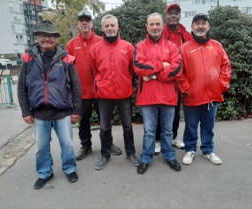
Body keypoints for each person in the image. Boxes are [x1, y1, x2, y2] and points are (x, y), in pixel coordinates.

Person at [17, 20, 81, 189]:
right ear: (37, 37)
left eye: (51, 36)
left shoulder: (67, 59)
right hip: (39, 114)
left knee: (67, 144)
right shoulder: (28, 60)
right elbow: (22, 88)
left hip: (63, 113)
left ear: (56, 39)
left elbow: (76, 87)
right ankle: (45, 172)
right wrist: (25, 111)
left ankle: (69, 169)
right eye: (43, 35)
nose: (47, 39)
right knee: (41, 147)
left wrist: (76, 111)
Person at [66, 11, 122, 161]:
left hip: (100, 90)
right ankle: (86, 145)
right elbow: (66, 68)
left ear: (92, 23)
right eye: (81, 21)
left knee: (105, 120)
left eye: (87, 20)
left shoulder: (100, 41)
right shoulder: (71, 44)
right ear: (78, 24)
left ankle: (108, 143)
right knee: (83, 120)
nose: (84, 23)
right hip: (81, 91)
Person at [179, 13, 231, 165]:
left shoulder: (217, 46)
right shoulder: (184, 48)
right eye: (197, 23)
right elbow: (178, 72)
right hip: (192, 95)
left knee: (209, 126)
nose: (200, 26)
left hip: (212, 95)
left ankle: (208, 150)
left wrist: (223, 84)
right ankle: (190, 149)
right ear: (192, 27)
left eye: (204, 23)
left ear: (208, 27)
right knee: (191, 126)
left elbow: (226, 65)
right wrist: (185, 87)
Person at [133, 12, 182, 174]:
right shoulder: (140, 46)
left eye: (157, 24)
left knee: (168, 131)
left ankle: (169, 155)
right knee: (149, 131)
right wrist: (162, 66)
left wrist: (153, 75)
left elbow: (177, 69)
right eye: (151, 24)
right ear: (147, 27)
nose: (155, 27)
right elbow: (138, 67)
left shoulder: (172, 47)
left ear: (163, 26)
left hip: (168, 97)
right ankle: (146, 158)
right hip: (147, 97)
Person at [89, 14, 139, 170]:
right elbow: (94, 70)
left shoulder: (128, 47)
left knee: (128, 126)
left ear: (117, 27)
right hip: (104, 95)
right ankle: (105, 155)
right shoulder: (95, 49)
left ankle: (130, 153)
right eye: (107, 26)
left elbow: (133, 70)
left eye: (112, 25)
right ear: (102, 28)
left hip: (124, 93)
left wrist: (124, 81)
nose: (110, 28)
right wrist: (102, 82)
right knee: (104, 127)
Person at [154, 3, 192, 154]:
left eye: (176, 13)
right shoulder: (160, 35)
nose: (173, 15)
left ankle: (174, 137)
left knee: (176, 111)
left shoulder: (187, 36)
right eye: (170, 13)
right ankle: (157, 139)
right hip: (164, 79)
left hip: (180, 81)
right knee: (159, 111)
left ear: (180, 16)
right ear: (166, 17)